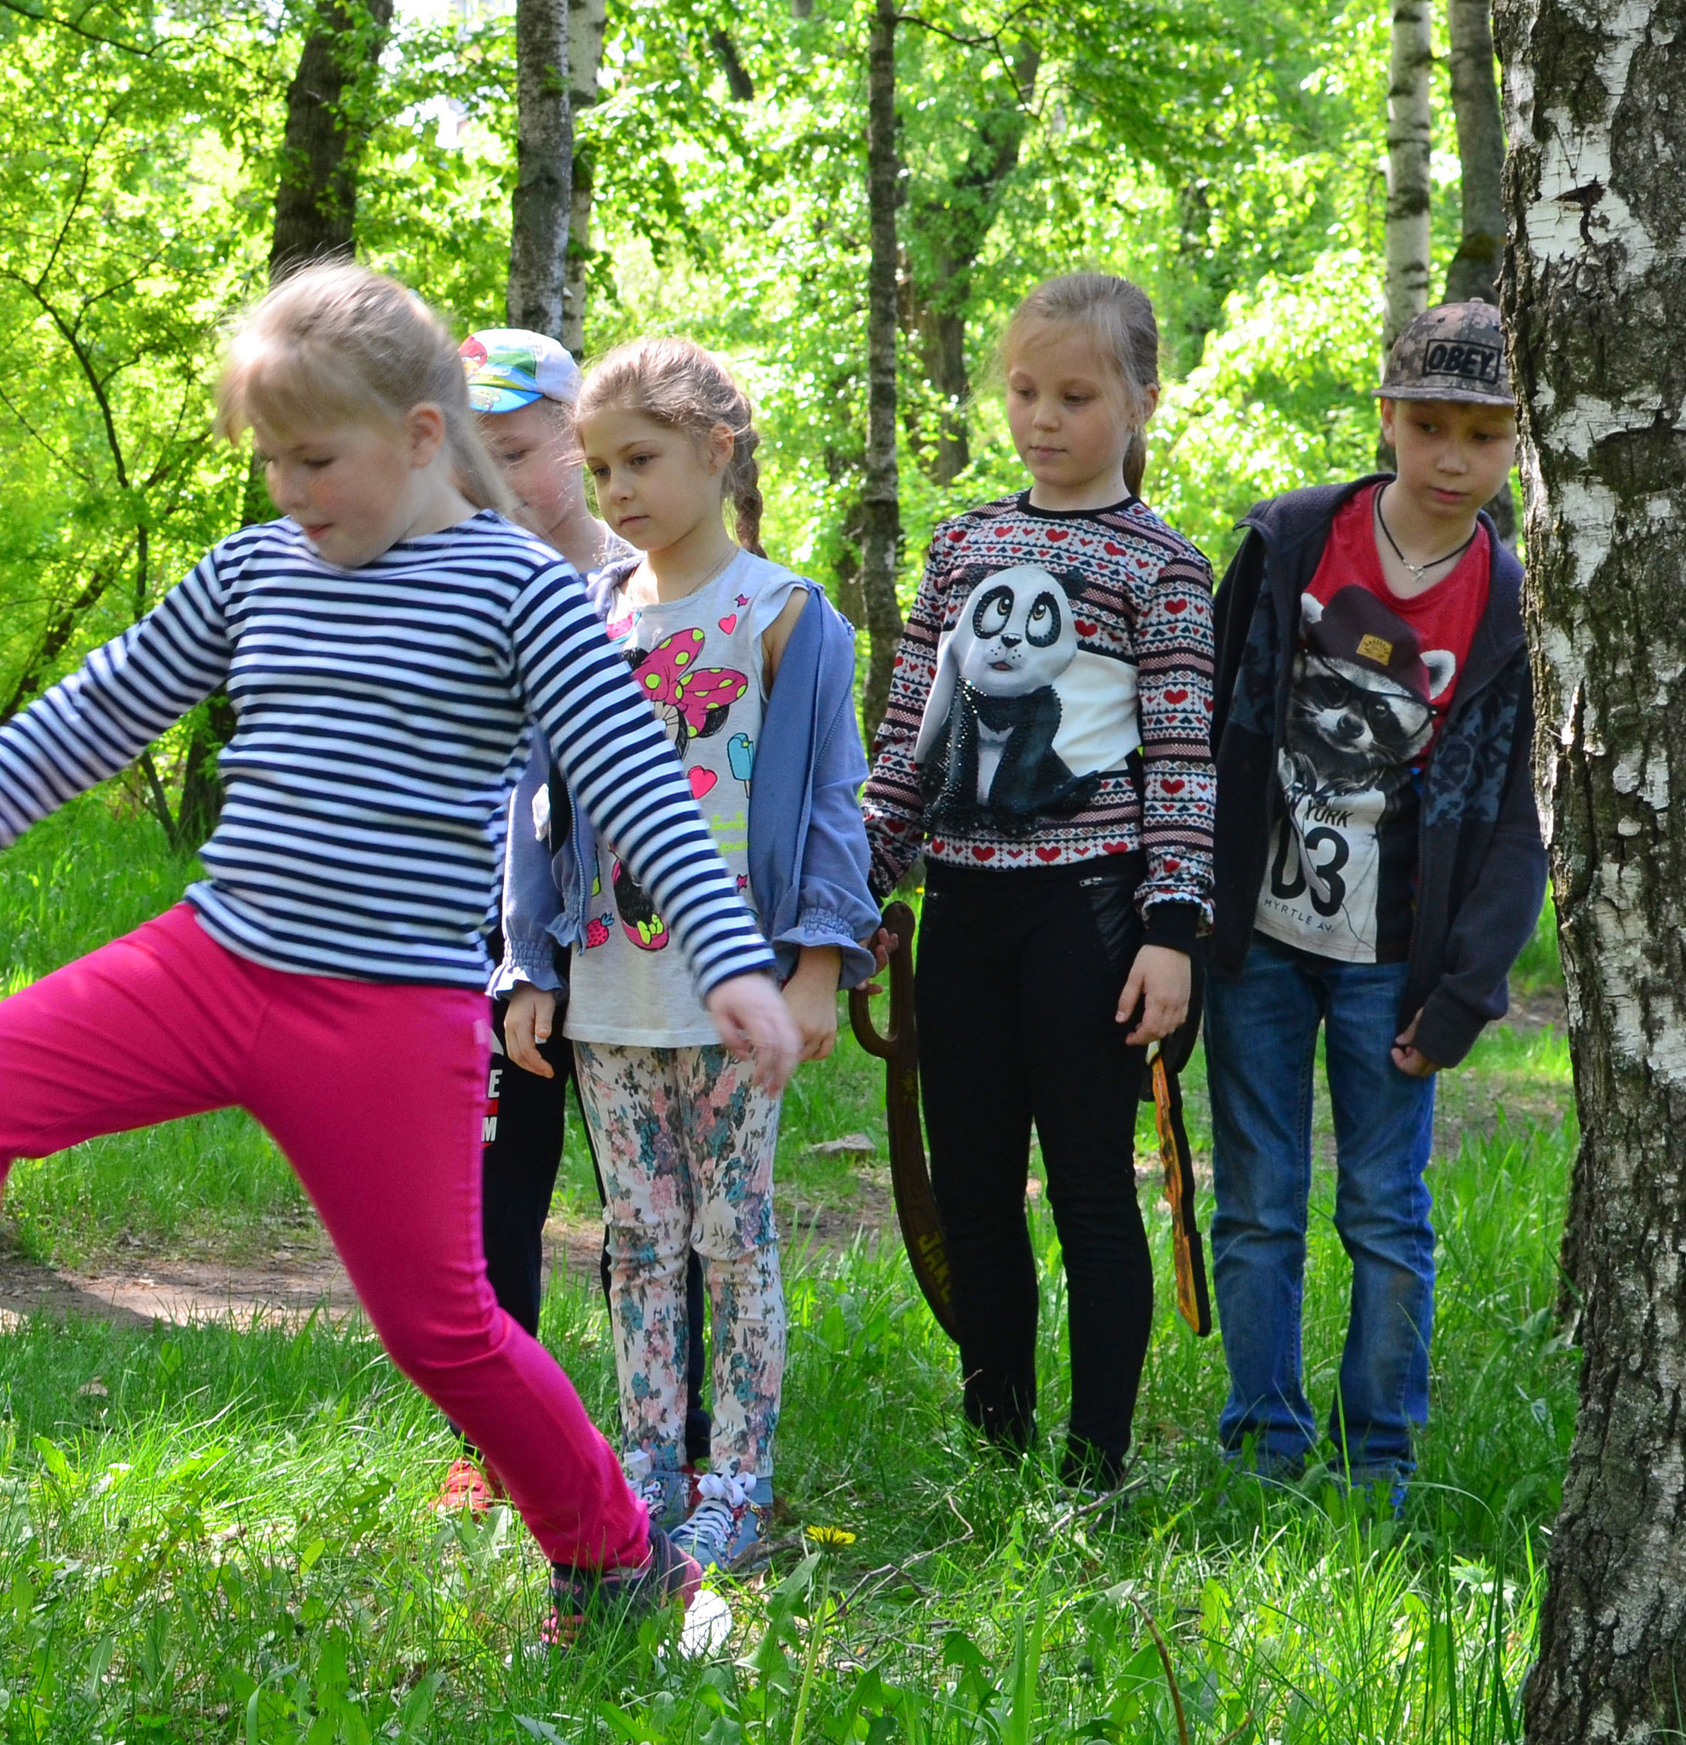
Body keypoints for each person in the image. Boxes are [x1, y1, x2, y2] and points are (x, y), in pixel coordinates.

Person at [0, 264, 804, 1643]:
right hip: (210, 965)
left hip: (384, 1022)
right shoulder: (256, 572)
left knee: (442, 1329)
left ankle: (617, 1558)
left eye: (317, 458)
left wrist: (729, 956)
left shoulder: (518, 591)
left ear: (421, 435)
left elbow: (635, 783)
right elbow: (96, 708)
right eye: (271, 461)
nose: (290, 489)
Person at [500, 337, 882, 1569]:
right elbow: (536, 802)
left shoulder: (783, 615)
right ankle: (650, 1473)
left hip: (735, 990)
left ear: (717, 452)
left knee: (733, 1231)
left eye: (641, 460)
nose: (617, 490)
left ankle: (742, 1482)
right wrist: (530, 964)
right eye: (600, 467)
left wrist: (816, 963)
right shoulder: (585, 615)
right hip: (609, 982)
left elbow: (829, 804)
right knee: (635, 1236)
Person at [860, 273, 1215, 1492]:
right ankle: (995, 1442)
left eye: (1074, 395)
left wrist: (1171, 929)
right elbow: (909, 739)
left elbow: (1182, 760)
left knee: (1087, 1189)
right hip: (961, 914)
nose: (1042, 418)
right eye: (1023, 391)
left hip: (1088, 920)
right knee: (970, 1187)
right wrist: (857, 894)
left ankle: (1093, 1464)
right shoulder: (960, 545)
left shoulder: (1163, 567)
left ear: (1140, 400)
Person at [1203, 301, 1546, 1493]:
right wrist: (1183, 909)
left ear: (1517, 441)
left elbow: (1518, 818)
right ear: (1388, 418)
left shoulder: (1512, 603)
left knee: (1385, 1214)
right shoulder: (1293, 541)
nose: (1454, 458)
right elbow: (1207, 724)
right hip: (1255, 939)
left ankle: (1377, 1459)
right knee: (1257, 1201)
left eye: (1484, 434)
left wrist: (1466, 988)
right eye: (1430, 425)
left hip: (1395, 961)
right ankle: (1262, 1445)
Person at [439, 328, 725, 1519]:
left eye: (511, 452)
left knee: (654, 1197)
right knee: (494, 1194)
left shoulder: (647, 580)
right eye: (464, 458)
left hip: (623, 941)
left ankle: (677, 1435)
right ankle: (497, 1442)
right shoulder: (441, 575)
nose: (487, 482)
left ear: (575, 436)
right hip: (481, 943)